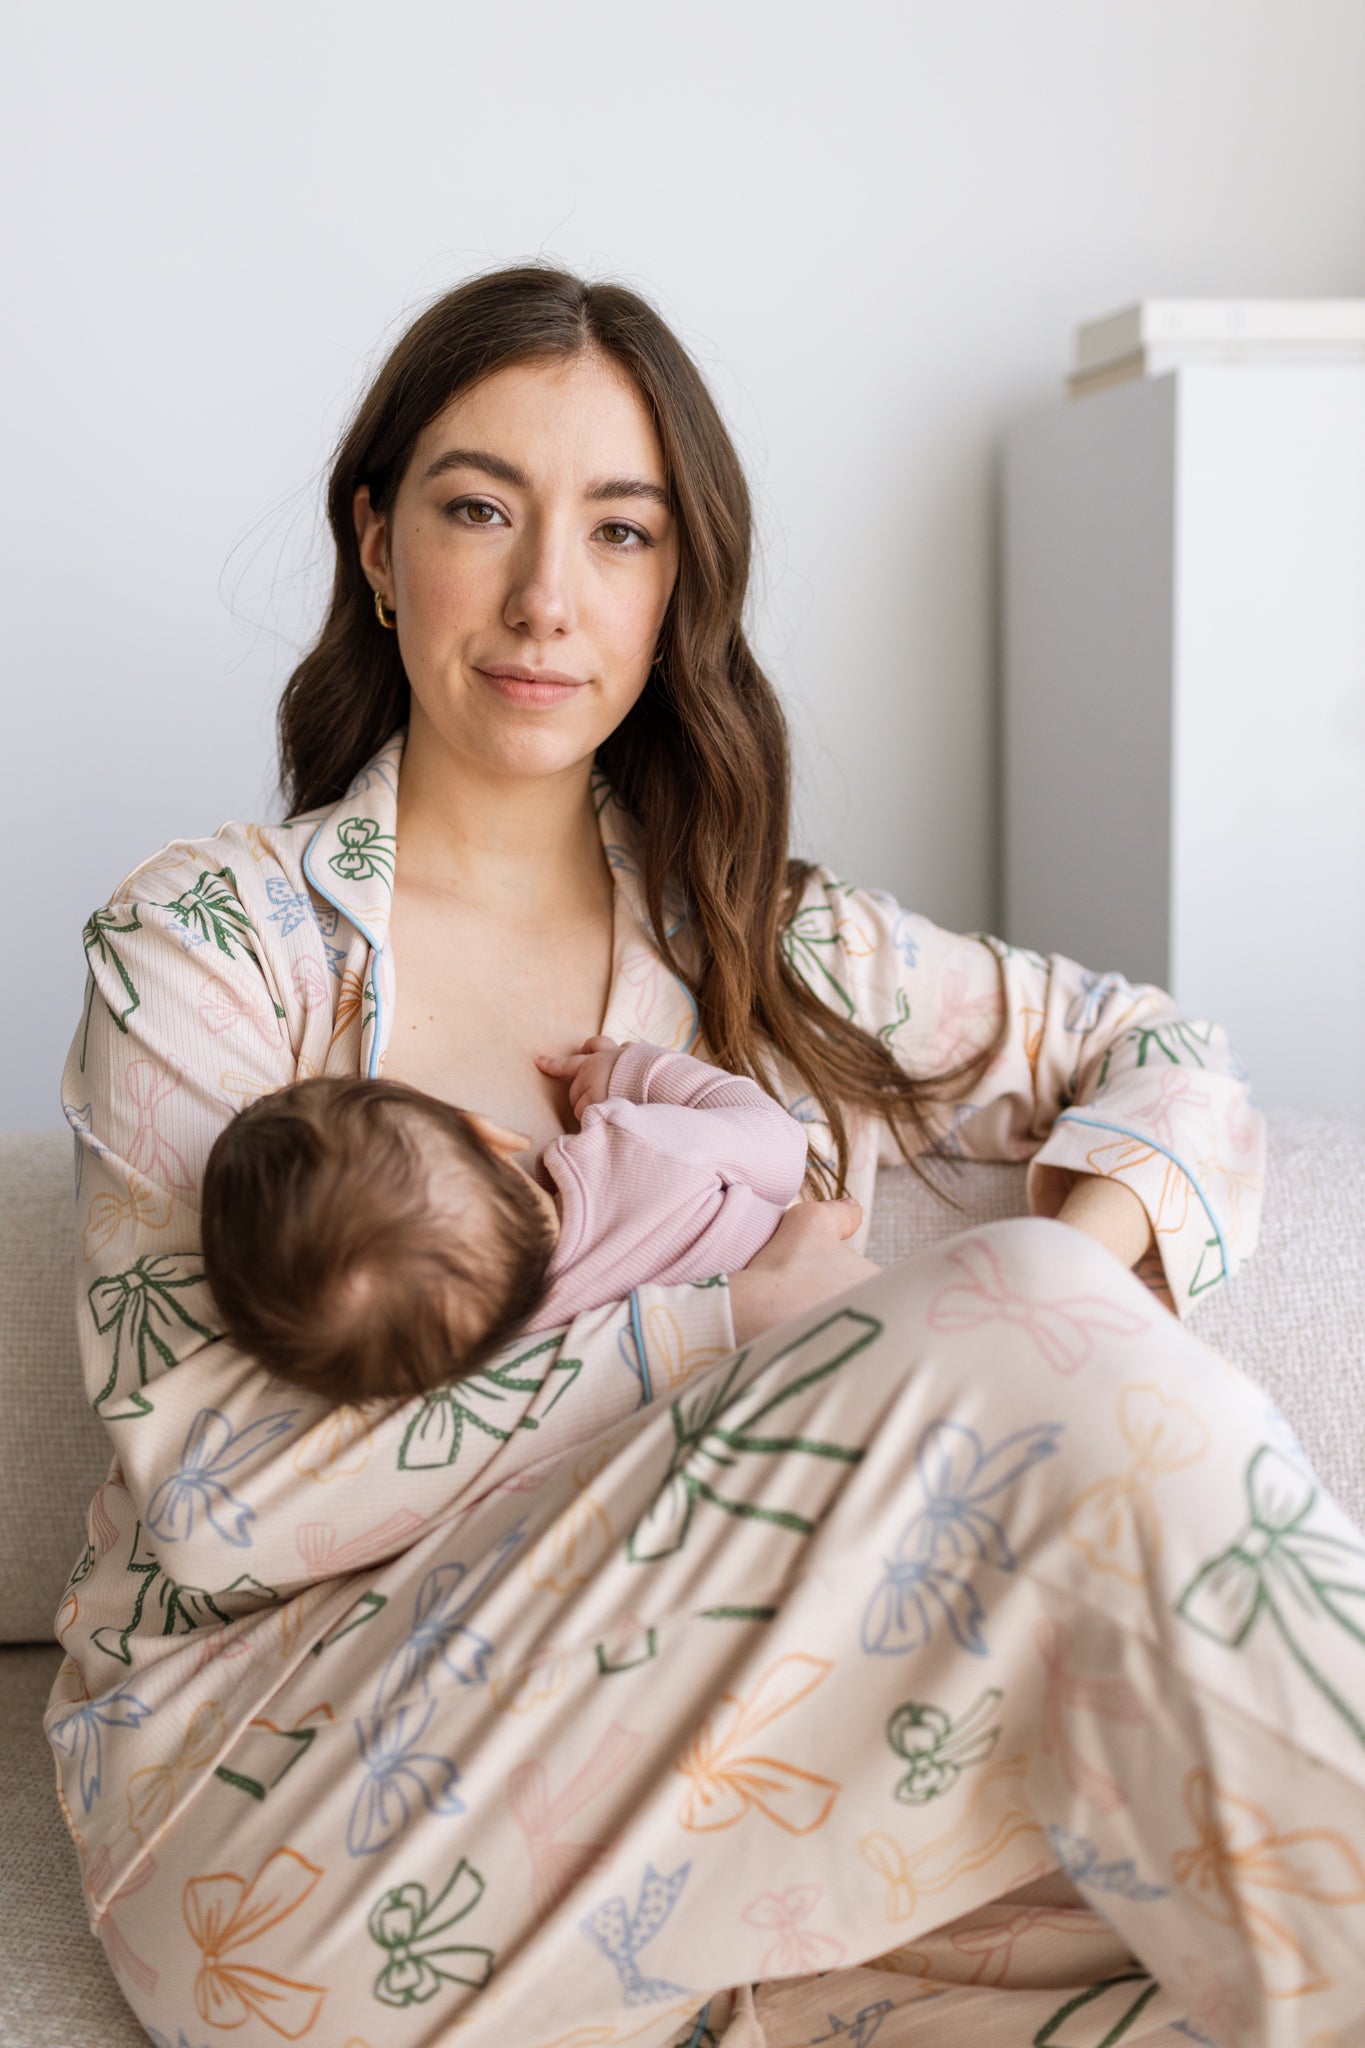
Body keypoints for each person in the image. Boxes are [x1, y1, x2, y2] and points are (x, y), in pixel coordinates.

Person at [50, 264, 1365, 2048]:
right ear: (376, 544)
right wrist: (723, 1324)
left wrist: (1083, 1282)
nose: (545, 597)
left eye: (620, 532)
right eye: (479, 509)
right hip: (287, 1827)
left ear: (678, 587)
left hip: (729, 1825)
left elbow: (1160, 1051)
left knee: (1207, 1924)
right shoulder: (209, 945)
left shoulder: (768, 946)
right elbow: (225, 1495)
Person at [198, 1037, 819, 1406]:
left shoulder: (536, 1368)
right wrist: (634, 1072)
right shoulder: (639, 1148)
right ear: (486, 1132)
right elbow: (780, 1145)